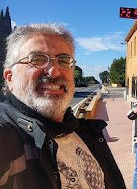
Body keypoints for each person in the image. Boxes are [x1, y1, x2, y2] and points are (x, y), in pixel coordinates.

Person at [0, 23, 126, 189]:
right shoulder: (7, 136)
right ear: (10, 78)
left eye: (64, 60)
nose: (54, 71)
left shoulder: (84, 132)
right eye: (37, 59)